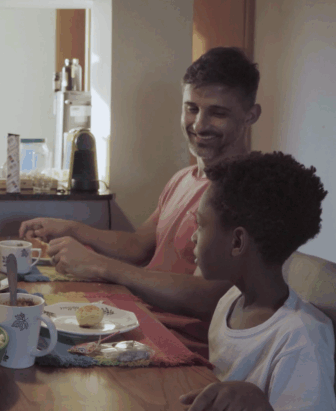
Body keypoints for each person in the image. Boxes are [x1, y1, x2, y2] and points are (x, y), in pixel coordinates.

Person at [19, 47, 262, 357]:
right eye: (192, 108)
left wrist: (100, 265)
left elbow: (206, 297)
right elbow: (138, 246)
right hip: (138, 321)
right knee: (26, 327)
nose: (199, 125)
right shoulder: (184, 177)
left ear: (250, 115)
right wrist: (72, 228)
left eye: (218, 113)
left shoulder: (246, 190)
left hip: (179, 345)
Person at [181, 151, 334, 411]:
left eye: (200, 225)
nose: (194, 237)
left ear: (237, 242)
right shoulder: (229, 302)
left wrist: (260, 404)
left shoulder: (301, 337)